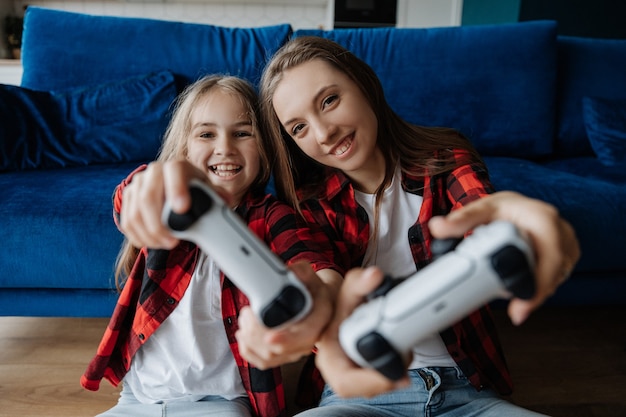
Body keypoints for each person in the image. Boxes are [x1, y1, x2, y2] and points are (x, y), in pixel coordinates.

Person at [236, 36, 580, 416]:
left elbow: (483, 219)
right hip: (356, 397)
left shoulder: (447, 158)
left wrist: (517, 229)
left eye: (329, 101)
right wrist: (304, 314)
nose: (323, 133)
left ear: (364, 86)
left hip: (466, 390)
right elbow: (323, 282)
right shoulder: (307, 205)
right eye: (299, 128)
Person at [80, 74, 343, 417]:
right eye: (207, 134)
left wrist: (321, 298)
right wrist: (152, 182)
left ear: (263, 148)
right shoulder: (169, 205)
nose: (225, 148)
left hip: (221, 403)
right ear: (185, 149)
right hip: (137, 399)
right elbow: (131, 198)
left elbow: (313, 264)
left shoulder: (271, 217)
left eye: (242, 133)